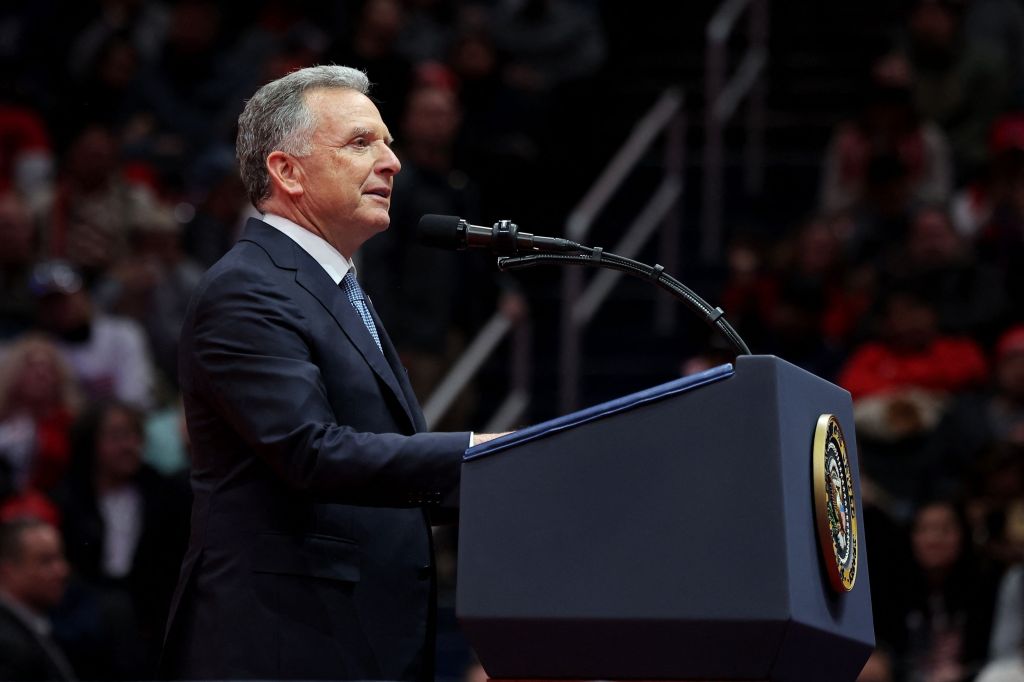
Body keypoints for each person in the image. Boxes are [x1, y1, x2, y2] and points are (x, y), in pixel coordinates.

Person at [161, 65, 505, 681]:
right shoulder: (248, 288)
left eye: (388, 142)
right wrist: (480, 454)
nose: (391, 162)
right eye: (360, 143)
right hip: (284, 643)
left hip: (349, 634)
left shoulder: (335, 286)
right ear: (287, 171)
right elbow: (308, 451)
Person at [0, 517, 76, 681]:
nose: (62, 570)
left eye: (60, 558)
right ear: (8, 571)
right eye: (46, 561)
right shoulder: (6, 644)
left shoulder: (31, 626)